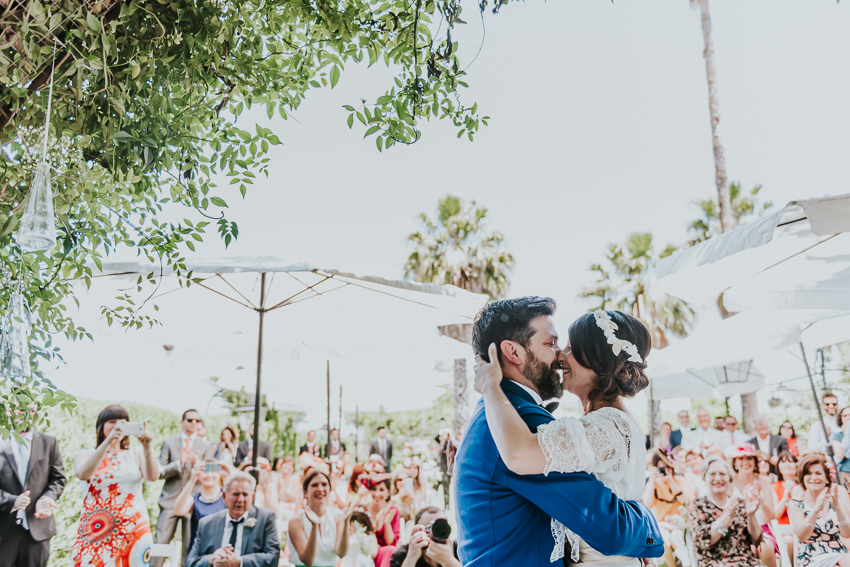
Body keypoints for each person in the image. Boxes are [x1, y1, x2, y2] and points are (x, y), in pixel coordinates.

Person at [462, 298, 662, 566]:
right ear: (514, 351)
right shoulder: (518, 419)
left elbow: (606, 521)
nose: (559, 356)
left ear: (597, 362)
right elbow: (612, 527)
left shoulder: (501, 416)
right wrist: (650, 534)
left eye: (567, 347)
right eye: (552, 344)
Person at [71, 405, 159, 567]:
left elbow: (153, 476)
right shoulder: (86, 454)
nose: (118, 426)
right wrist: (108, 442)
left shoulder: (135, 453)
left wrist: (147, 447)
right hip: (95, 528)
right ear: (101, 426)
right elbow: (83, 474)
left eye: (123, 422)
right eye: (112, 422)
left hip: (132, 527)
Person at [0, 408, 66, 567]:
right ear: (9, 411)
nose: (27, 414)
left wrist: (47, 497)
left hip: (37, 532)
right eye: (22, 409)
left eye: (32, 410)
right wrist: (11, 501)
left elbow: (58, 478)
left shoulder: (49, 443)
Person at [155, 408, 217, 567]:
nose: (194, 423)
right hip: (170, 500)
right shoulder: (169, 443)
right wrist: (180, 463)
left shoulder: (206, 445)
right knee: (160, 544)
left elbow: (212, 472)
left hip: (193, 502)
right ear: (182, 422)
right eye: (190, 420)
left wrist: (196, 464)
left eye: (197, 420)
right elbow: (158, 473)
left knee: (190, 548)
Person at [185, 471, 280, 567]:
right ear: (224, 496)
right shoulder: (207, 523)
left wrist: (240, 562)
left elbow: (273, 558)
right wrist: (211, 559)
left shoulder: (265, 519)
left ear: (252, 497)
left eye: (245, 494)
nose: (240, 499)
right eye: (236, 494)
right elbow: (190, 562)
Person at [687, 457, 765, 567]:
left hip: (746, 562)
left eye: (723, 474)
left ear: (729, 479)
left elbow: (757, 540)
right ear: (704, 477)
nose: (718, 478)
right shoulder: (697, 505)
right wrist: (727, 514)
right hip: (715, 563)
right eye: (712, 474)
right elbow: (703, 542)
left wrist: (751, 515)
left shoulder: (740, 503)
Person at [788, 454, 850, 567]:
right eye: (808, 473)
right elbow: (802, 536)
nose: (813, 477)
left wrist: (838, 508)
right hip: (811, 556)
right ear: (803, 477)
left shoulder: (834, 498)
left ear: (827, 478)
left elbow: (847, 533)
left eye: (818, 473)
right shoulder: (796, 503)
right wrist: (816, 509)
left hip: (838, 553)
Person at [287, 469, 357, 567]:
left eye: (324, 484)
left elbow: (340, 553)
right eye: (314, 485)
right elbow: (308, 561)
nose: (320, 489)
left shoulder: (337, 517)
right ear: (305, 492)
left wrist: (345, 523)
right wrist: (314, 526)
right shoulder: (296, 521)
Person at [730, 444, 777, 567]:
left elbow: (771, 517)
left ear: (755, 461)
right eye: (741, 459)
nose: (746, 462)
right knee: (749, 548)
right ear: (735, 462)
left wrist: (760, 501)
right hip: (739, 530)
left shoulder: (764, 481)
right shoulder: (730, 482)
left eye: (749, 458)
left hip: (763, 529)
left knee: (764, 547)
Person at [173, 460, 227, 555]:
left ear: (219, 473)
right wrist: (192, 480)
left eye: (213, 471)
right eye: (205, 471)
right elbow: (178, 510)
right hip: (199, 554)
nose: (209, 475)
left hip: (224, 551)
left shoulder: (227, 497)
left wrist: (230, 474)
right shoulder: (194, 499)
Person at [389, 507, 461, 567]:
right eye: (428, 528)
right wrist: (411, 558)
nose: (434, 533)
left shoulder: (459, 549)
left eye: (439, 527)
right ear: (416, 531)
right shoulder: (403, 554)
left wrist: (449, 561)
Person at [365, 475, 400, 566]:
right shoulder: (364, 509)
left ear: (388, 493)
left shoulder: (393, 511)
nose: (377, 494)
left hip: (384, 554)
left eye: (381, 490)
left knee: (390, 550)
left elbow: (390, 543)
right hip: (366, 552)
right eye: (374, 489)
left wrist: (387, 523)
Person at [830, 406, 850, 485]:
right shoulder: (837, 435)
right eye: (845, 415)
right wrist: (846, 434)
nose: (848, 418)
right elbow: (839, 455)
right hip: (845, 473)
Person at [435, 430, 453, 509]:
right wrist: (441, 432)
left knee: (446, 489)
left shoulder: (450, 444)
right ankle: (433, 503)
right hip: (439, 470)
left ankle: (447, 505)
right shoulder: (441, 442)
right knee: (434, 488)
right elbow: (435, 438)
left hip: (446, 472)